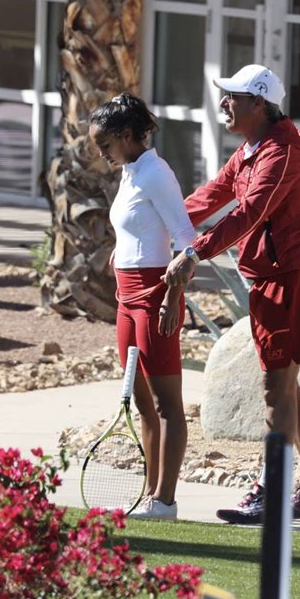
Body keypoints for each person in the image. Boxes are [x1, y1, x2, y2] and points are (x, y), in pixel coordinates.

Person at [163, 65, 300, 525]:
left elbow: (249, 211)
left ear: (258, 103)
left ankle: (270, 489)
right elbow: (213, 194)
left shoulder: (282, 152)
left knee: (274, 389)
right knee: (285, 385)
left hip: (292, 278)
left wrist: (194, 252)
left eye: (233, 97)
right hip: (269, 276)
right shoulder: (251, 149)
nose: (224, 104)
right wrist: (160, 224)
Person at [89, 92, 196, 520]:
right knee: (141, 402)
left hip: (156, 297)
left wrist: (172, 296)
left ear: (129, 135)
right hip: (125, 297)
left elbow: (187, 242)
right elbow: (138, 225)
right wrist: (122, 252)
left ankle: (165, 502)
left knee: (168, 404)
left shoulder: (155, 173)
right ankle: (149, 494)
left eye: (105, 146)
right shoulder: (131, 171)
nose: (102, 155)